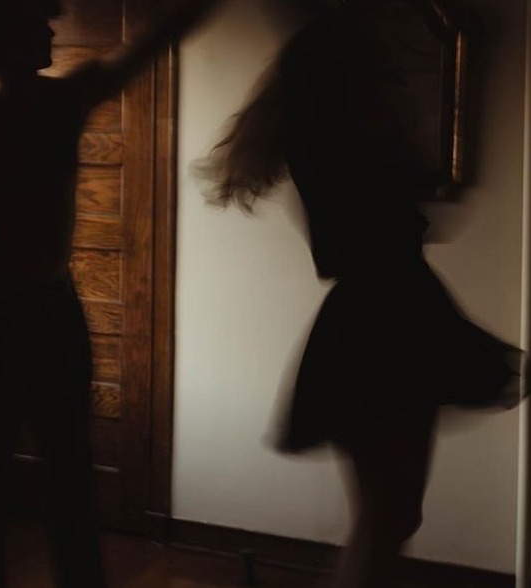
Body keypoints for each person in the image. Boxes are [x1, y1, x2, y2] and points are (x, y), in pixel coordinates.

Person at [195, 1, 526, 587]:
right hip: (383, 324)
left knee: (388, 516)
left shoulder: (333, 136)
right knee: (387, 518)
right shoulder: (342, 140)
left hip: (382, 317)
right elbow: (394, 223)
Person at [0, 0, 225, 587]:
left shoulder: (61, 101)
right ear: (7, 37)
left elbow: (145, 48)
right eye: (37, 22)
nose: (51, 30)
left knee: (69, 465)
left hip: (53, 303)